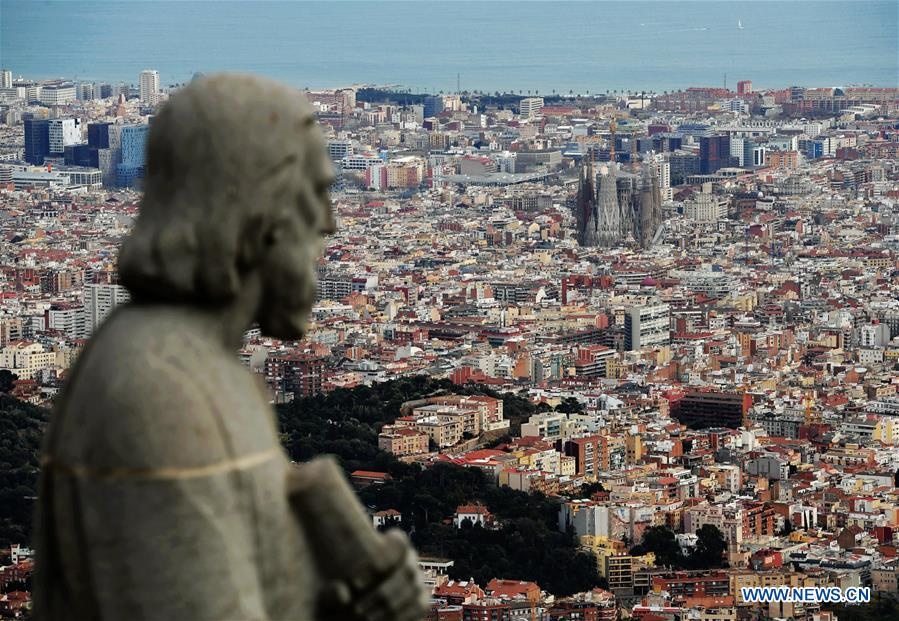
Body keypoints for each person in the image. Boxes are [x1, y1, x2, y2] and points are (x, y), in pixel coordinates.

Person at [34, 73, 428, 621]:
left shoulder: (198, 372)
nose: (333, 223)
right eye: (316, 197)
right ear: (261, 213)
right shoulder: (160, 393)